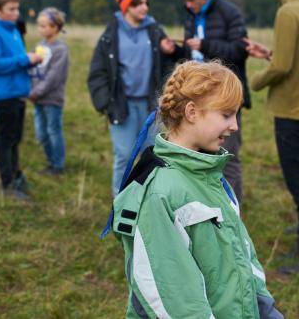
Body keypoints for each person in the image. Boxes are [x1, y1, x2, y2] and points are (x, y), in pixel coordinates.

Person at [110, 61, 283, 318]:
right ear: (192, 112)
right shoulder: (160, 193)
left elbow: (242, 255)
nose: (234, 125)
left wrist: (265, 309)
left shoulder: (212, 177)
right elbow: (175, 299)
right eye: (226, 114)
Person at [246, 0, 299, 274]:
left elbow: (282, 66)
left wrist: (255, 80)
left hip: (292, 111)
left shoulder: (287, 12)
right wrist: (271, 55)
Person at [87, 0, 176, 197]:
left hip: (151, 105)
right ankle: (120, 202)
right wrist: (105, 104)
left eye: (146, 2)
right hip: (121, 105)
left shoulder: (155, 30)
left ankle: (153, 198)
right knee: (125, 155)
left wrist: (170, 52)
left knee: (154, 153)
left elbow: (169, 67)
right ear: (126, 6)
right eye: (138, 3)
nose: (144, 7)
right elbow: (97, 72)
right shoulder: (111, 34)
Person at [175, 0, 250, 203]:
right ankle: (204, 204)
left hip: (225, 97)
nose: (187, 5)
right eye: (185, 1)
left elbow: (239, 50)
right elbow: (192, 55)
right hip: (196, 98)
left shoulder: (230, 13)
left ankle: (231, 210)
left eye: (190, 0)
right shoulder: (190, 15)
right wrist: (177, 52)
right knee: (198, 153)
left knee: (227, 156)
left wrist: (206, 45)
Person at [0, 0, 42, 200]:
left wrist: (31, 59)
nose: (17, 13)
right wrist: (25, 59)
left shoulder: (14, 30)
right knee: (5, 139)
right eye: (12, 9)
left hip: (18, 93)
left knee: (16, 138)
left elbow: (16, 59)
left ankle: (16, 176)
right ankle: (7, 184)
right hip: (3, 96)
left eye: (17, 8)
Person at [29, 7, 69, 175]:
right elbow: (34, 69)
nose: (41, 29)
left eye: (45, 26)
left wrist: (37, 91)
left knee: (53, 131)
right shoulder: (39, 46)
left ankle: (57, 165)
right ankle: (50, 160)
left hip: (52, 99)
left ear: (56, 27)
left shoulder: (61, 49)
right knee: (41, 133)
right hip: (37, 98)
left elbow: (54, 76)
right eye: (39, 25)